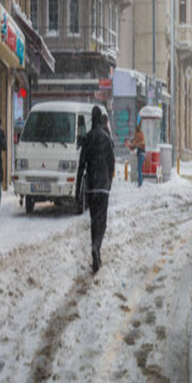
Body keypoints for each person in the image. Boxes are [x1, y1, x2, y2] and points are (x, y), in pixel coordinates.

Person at [76, 106, 116, 273]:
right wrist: (109, 181)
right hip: (103, 187)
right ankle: (97, 248)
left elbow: (81, 165)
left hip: (91, 187)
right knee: (102, 222)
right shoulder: (106, 138)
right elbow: (112, 162)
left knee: (94, 221)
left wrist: (78, 188)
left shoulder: (88, 138)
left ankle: (95, 249)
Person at [126, 122, 146, 187]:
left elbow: (135, 143)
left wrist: (130, 145)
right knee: (139, 169)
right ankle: (140, 182)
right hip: (142, 154)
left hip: (141, 154)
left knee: (139, 169)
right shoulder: (141, 134)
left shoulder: (138, 135)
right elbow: (135, 142)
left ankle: (140, 183)